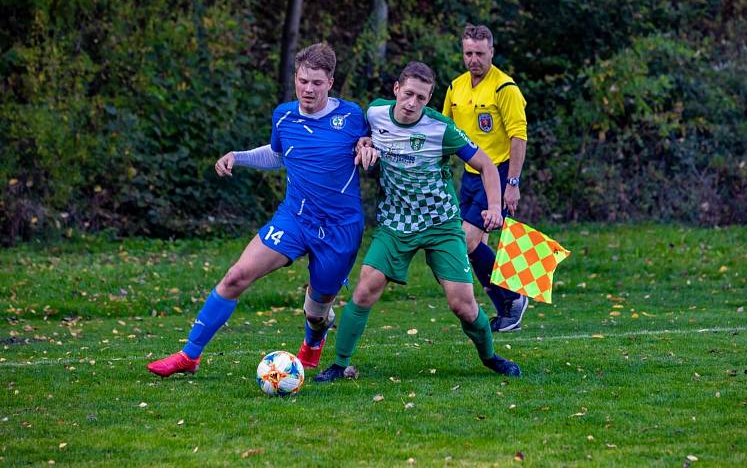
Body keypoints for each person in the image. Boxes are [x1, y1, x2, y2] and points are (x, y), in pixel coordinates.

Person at [147, 43, 379, 377]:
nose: (308, 89)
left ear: (330, 81)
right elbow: (278, 154)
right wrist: (237, 156)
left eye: (316, 82)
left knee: (316, 311)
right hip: (295, 218)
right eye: (302, 81)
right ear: (295, 79)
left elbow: (372, 144)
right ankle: (189, 355)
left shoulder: (353, 116)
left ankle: (314, 341)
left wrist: (368, 147)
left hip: (340, 229)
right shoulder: (284, 115)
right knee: (235, 276)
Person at [314, 61, 521, 383]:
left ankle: (491, 357)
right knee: (365, 289)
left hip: (440, 224)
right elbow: (360, 137)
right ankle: (339, 365)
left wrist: (494, 206)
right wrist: (364, 143)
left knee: (462, 305)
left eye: (421, 98)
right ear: (396, 90)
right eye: (408, 94)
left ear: (429, 99)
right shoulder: (375, 114)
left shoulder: (441, 129)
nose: (412, 103)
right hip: (395, 224)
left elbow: (487, 165)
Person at [442, 24, 529, 332]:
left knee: (465, 241)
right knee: (471, 243)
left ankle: (512, 298)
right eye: (469, 53)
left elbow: (519, 137)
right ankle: (507, 303)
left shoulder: (505, 88)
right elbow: (444, 132)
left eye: (480, 53)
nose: (474, 59)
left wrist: (512, 184)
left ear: (492, 51)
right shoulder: (456, 87)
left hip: (500, 171)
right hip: (469, 175)